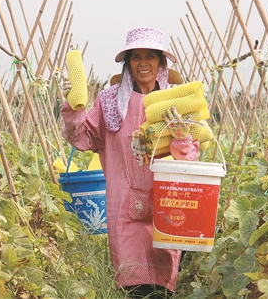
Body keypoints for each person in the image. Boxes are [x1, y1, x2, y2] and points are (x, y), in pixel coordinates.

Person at [60, 27, 199, 298]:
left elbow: (188, 156)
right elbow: (84, 138)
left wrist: (182, 135)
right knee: (133, 285)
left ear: (161, 63)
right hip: (124, 205)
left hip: (166, 204)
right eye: (136, 57)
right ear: (128, 63)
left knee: (163, 286)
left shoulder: (174, 103)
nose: (143, 63)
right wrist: (73, 108)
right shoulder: (110, 101)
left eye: (150, 56)